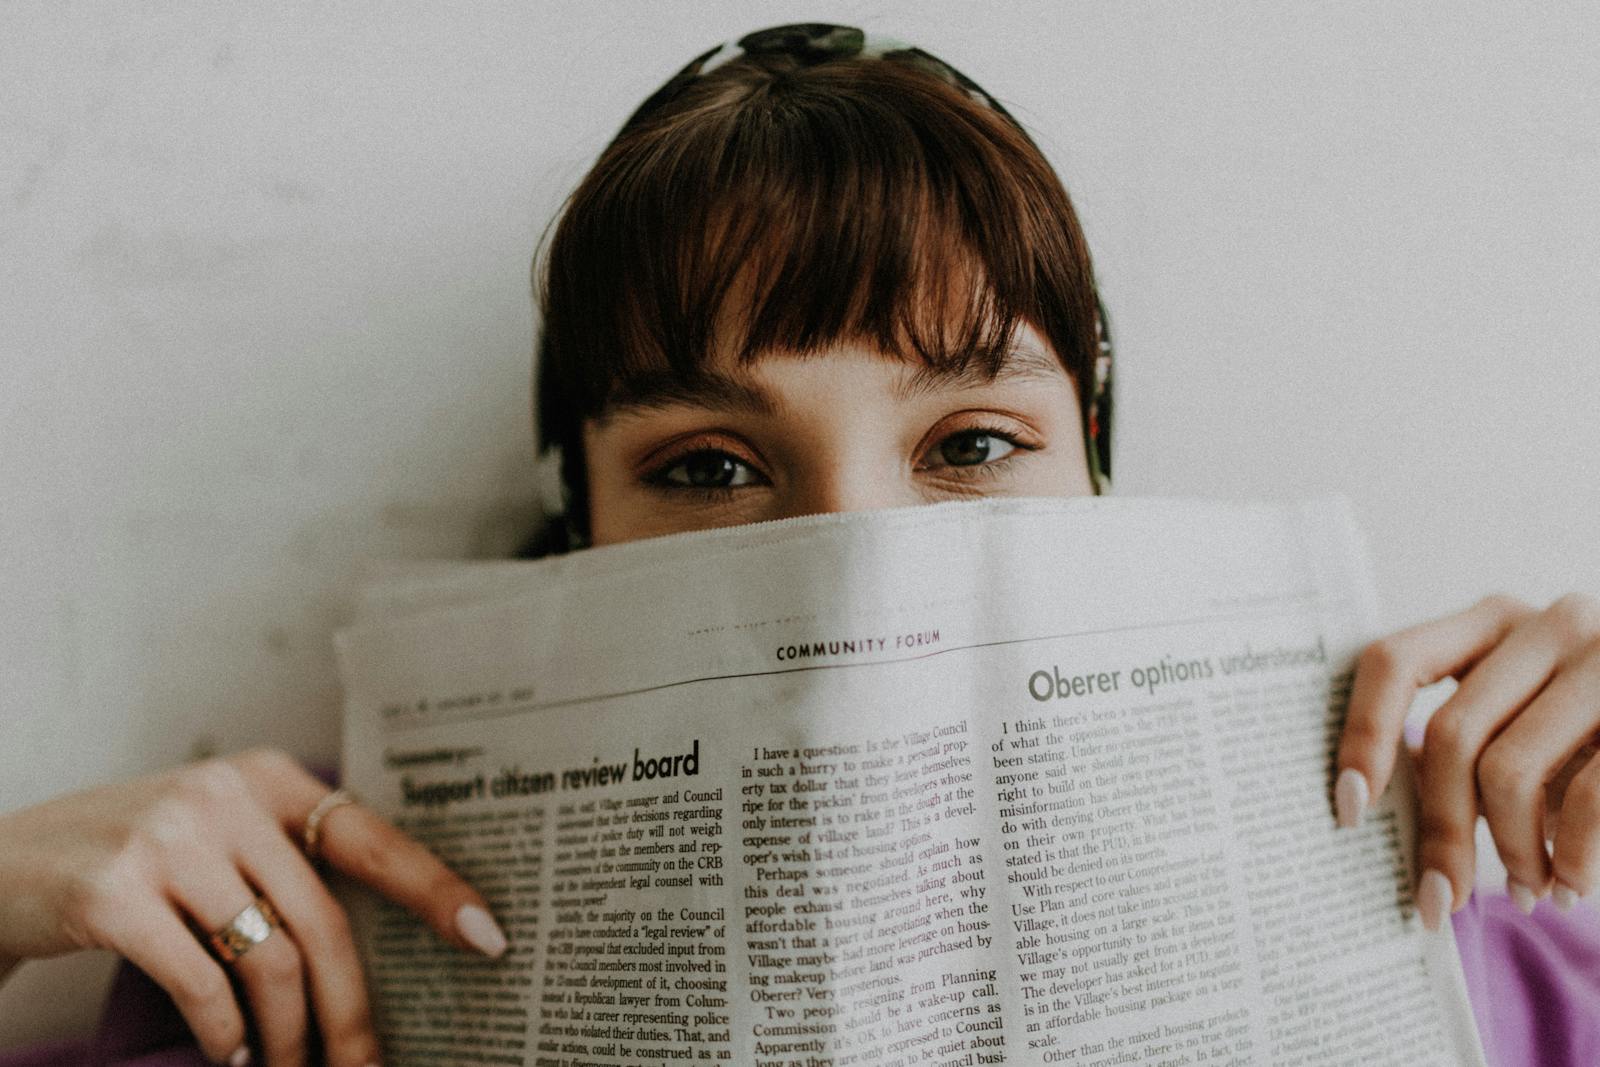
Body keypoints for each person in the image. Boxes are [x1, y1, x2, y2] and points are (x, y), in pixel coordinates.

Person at [2, 21, 1597, 1067]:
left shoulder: (1468, 920)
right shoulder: (281, 941)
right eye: (708, 467)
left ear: (1102, 488)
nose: (853, 563)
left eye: (972, 446)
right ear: (582, 530)